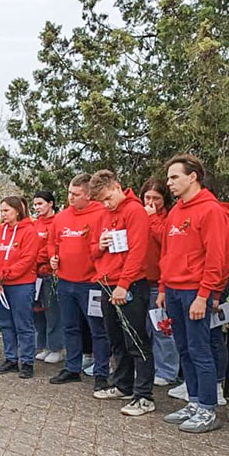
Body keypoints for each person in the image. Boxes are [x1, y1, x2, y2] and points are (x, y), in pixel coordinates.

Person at [156, 154, 229, 433]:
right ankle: (194, 400)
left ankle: (209, 408)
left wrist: (205, 295)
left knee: (201, 349)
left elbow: (217, 257)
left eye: (175, 177)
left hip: (194, 292)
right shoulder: (176, 211)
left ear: (192, 177)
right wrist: (163, 286)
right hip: (174, 290)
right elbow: (167, 253)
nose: (169, 183)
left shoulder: (211, 210)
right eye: (169, 177)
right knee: (184, 348)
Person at [88, 171, 155, 416]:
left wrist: (124, 284)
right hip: (107, 284)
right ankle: (123, 385)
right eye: (101, 201)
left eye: (108, 198)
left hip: (130, 286)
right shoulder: (103, 215)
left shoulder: (134, 211)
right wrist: (99, 246)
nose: (106, 204)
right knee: (117, 340)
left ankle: (144, 395)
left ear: (117, 187)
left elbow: (138, 251)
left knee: (136, 341)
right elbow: (92, 249)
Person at [43, 173, 110, 389]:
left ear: (89, 195)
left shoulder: (101, 214)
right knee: (70, 327)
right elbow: (53, 242)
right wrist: (53, 256)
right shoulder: (62, 216)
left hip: (91, 282)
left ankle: (101, 372)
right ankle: (73, 367)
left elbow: (101, 247)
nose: (70, 197)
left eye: (76, 194)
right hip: (65, 280)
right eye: (69, 193)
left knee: (97, 330)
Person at [0, 196, 39, 378]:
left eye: (6, 210)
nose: (3, 214)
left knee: (23, 324)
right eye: (1, 210)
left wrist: (2, 275)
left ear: (17, 211)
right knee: (6, 323)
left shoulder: (29, 232)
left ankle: (27, 361)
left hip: (21, 285)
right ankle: (11, 358)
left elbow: (27, 260)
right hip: (1, 286)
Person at [140, 178, 180, 386]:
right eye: (147, 197)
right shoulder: (138, 215)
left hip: (160, 281)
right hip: (141, 280)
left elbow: (166, 239)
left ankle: (167, 370)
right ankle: (149, 366)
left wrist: (153, 219)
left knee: (162, 328)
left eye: (156, 198)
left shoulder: (168, 218)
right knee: (144, 328)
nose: (151, 202)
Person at [32, 190, 64, 364]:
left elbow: (52, 246)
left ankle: (56, 347)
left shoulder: (57, 222)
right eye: (35, 204)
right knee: (38, 312)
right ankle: (43, 345)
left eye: (40, 204)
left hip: (48, 273)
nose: (37, 207)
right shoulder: (35, 224)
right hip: (34, 274)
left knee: (52, 311)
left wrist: (38, 259)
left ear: (50, 203)